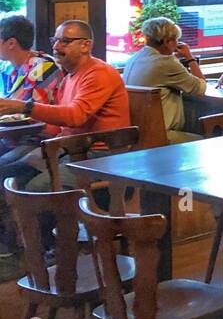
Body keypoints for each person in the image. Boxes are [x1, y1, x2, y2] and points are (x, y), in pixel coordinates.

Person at [0, 20, 131, 190]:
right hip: (71, 148)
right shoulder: (69, 76)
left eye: (65, 41)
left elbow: (75, 116)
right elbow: (57, 126)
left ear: (86, 45)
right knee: (7, 170)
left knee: (36, 186)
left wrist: (24, 108)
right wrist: (29, 125)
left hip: (102, 155)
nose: (56, 46)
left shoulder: (99, 73)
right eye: (55, 40)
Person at [0, 14, 61, 256]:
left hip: (40, 139)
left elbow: (37, 115)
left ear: (11, 43)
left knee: (3, 167)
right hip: (13, 137)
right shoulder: (8, 68)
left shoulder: (43, 67)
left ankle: (13, 242)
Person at [123, 16, 207, 142]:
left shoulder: (134, 59)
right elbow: (200, 88)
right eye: (176, 40)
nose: (177, 45)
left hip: (138, 135)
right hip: (162, 135)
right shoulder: (165, 62)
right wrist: (190, 58)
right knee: (206, 142)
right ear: (167, 42)